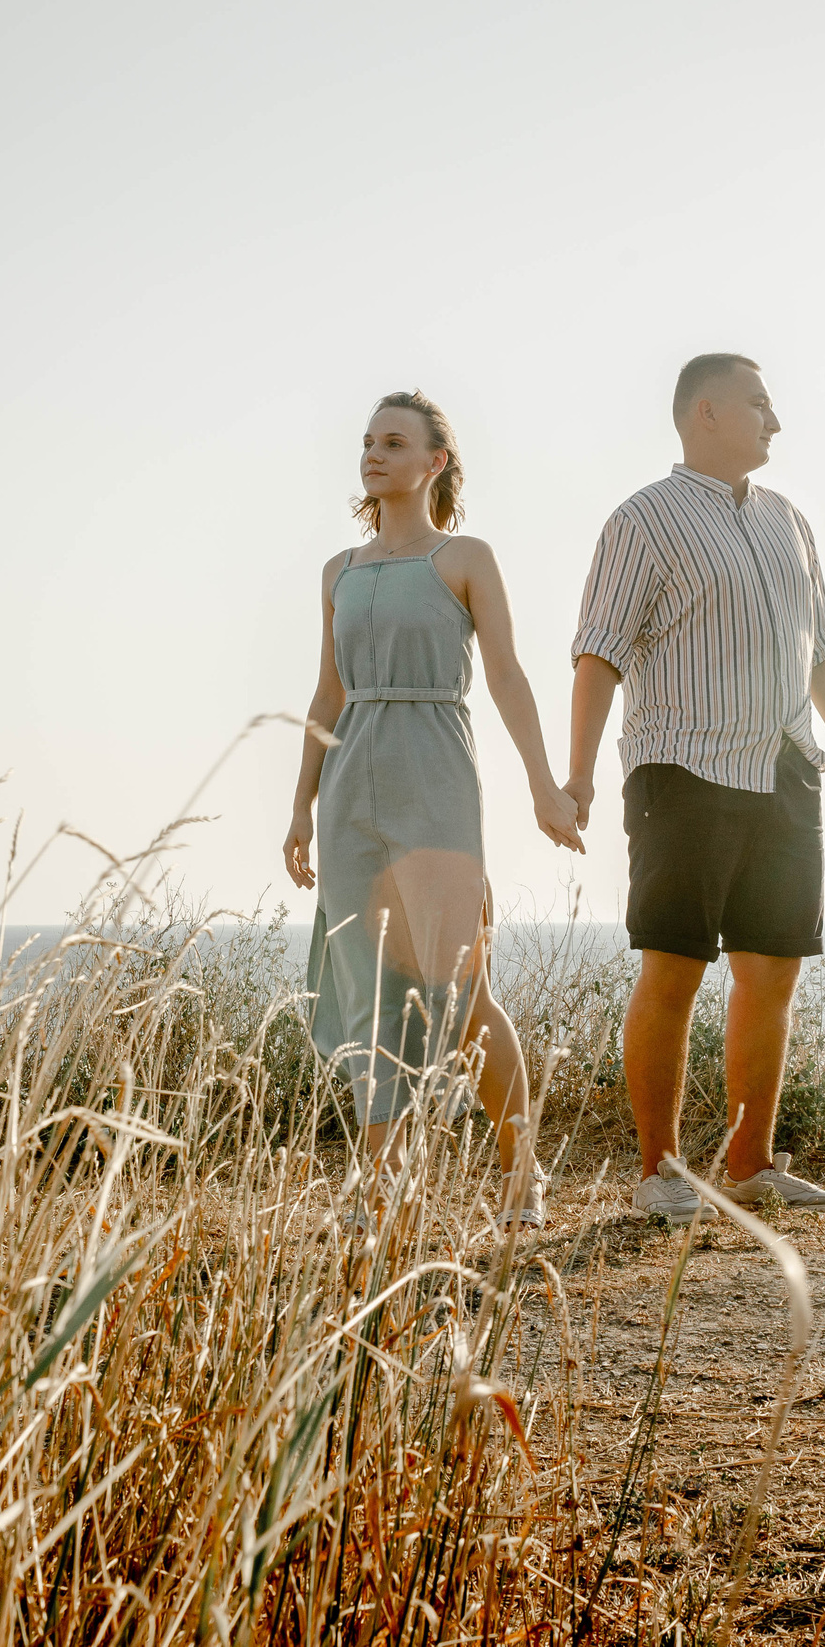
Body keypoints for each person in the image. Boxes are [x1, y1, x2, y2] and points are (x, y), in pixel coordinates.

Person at [564, 354, 825, 1222]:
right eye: (759, 404)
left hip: (784, 769)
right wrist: (579, 773)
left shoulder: (790, 522)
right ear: (705, 411)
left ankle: (750, 1164)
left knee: (772, 968)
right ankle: (659, 1172)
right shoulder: (644, 520)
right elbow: (600, 652)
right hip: (684, 767)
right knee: (674, 967)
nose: (775, 421)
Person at [286, 390, 584, 1229]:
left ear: (434, 463)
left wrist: (544, 785)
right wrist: (300, 807)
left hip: (436, 780)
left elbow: (508, 677)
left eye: (393, 442)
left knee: (459, 995)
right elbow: (326, 690)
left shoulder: (466, 558)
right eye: (368, 442)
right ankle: (383, 1188)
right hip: (350, 792)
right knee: (370, 993)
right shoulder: (337, 573)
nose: (373, 454)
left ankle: (520, 1171)